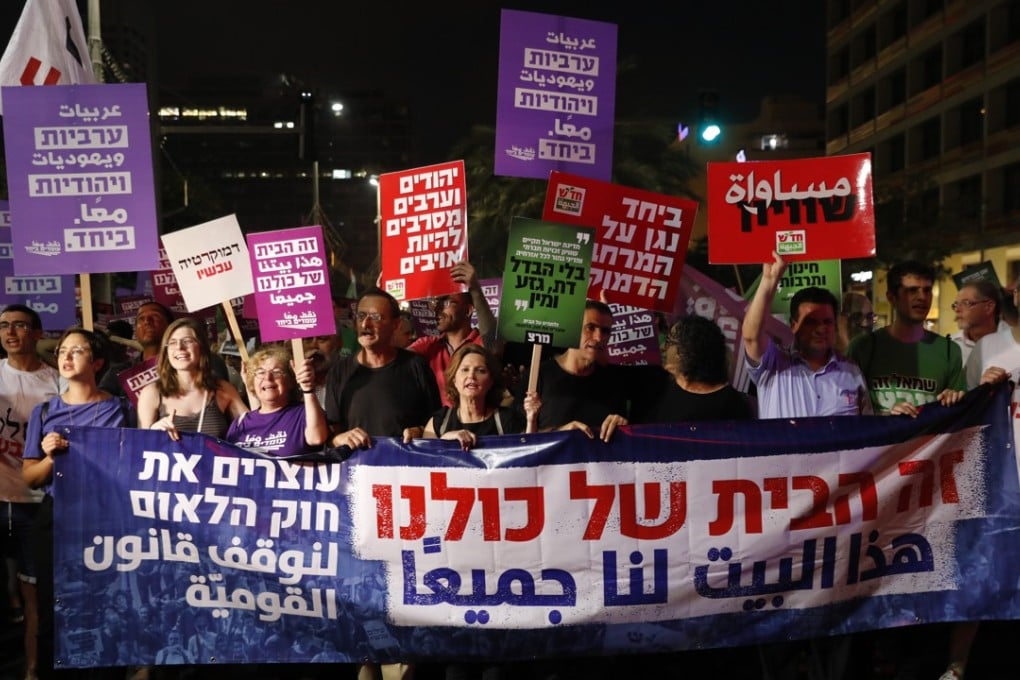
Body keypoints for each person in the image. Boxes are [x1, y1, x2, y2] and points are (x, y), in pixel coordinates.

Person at [324, 287, 440, 680]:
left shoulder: (414, 367)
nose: (367, 323)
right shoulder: (342, 371)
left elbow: (435, 425)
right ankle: (367, 660)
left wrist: (420, 431)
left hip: (408, 495)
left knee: (407, 576)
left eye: (376, 317)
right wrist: (338, 438)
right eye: (361, 316)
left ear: (395, 325)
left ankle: (411, 658)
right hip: (356, 496)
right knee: (362, 580)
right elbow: (329, 433)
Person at [21, 328, 133, 680]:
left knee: (106, 606)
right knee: (55, 606)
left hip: (105, 521)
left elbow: (135, 464)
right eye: (61, 351)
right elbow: (31, 477)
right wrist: (51, 457)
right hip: (57, 517)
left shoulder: (120, 410)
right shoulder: (43, 413)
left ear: (97, 362)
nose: (66, 357)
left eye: (77, 351)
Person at [0, 304, 61, 680]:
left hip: (35, 506)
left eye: (20, 325)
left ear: (37, 334)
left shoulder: (58, 383)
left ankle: (34, 669)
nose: (10, 332)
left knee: (35, 597)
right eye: (4, 326)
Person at [743, 252, 871, 418]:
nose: (820, 329)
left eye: (827, 322)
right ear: (793, 325)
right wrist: (769, 280)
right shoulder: (773, 364)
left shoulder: (851, 371)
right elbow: (751, 336)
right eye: (811, 322)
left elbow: (868, 428)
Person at [848, 260, 966, 415]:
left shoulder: (949, 351)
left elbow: (959, 414)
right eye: (912, 291)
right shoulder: (864, 347)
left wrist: (954, 399)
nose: (921, 297)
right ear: (891, 297)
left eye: (927, 290)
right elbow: (848, 408)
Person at [522, 301, 630, 442]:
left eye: (605, 331)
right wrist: (559, 433)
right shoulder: (537, 375)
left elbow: (626, 440)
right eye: (590, 328)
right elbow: (517, 441)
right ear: (572, 328)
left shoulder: (613, 380)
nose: (598, 337)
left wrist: (622, 426)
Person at [137, 317, 248, 439]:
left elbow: (255, 430)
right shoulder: (152, 392)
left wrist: (250, 387)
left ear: (201, 347)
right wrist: (153, 431)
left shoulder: (222, 389)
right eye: (172, 342)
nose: (179, 347)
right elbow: (139, 446)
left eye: (187, 341)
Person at [407, 260, 498, 406]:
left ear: (468, 310)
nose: (437, 309)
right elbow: (393, 362)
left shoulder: (480, 343)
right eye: (435, 303)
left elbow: (492, 344)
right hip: (442, 426)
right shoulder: (428, 345)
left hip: (480, 423)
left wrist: (474, 287)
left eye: (447, 303)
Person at [631, 314, 752, 423]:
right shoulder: (653, 388)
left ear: (684, 352)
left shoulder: (734, 405)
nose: (663, 348)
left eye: (669, 342)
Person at [100, 302, 232, 398]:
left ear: (171, 327)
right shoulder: (118, 373)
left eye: (155, 316)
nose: (147, 321)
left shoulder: (201, 360)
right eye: (141, 319)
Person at [424, 344, 537, 449]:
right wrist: (445, 440)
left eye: (480, 371)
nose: (471, 376)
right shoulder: (439, 422)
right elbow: (423, 462)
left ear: (491, 381)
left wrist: (532, 420)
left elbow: (527, 457)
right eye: (465, 369)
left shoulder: (506, 419)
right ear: (454, 379)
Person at [226, 345, 328, 456]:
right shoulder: (240, 422)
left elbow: (317, 439)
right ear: (251, 382)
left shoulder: (304, 413)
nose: (268, 377)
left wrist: (308, 389)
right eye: (260, 372)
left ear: (290, 380)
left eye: (276, 372)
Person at [950, 280, 1002, 365]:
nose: (957, 309)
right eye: (956, 304)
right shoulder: (949, 346)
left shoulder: (1014, 341)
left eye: (966, 303)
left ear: (989, 307)